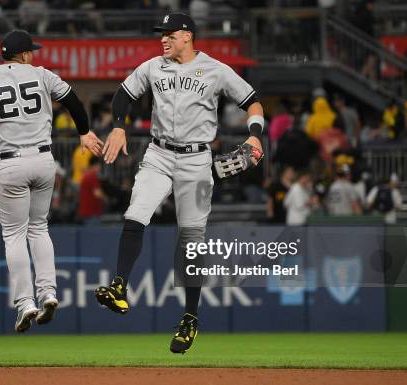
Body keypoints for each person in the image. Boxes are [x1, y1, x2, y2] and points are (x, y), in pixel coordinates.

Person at [94, 13, 265, 354]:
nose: (163, 39)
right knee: (136, 213)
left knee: (191, 238)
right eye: (162, 34)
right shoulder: (153, 66)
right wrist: (118, 125)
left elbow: (252, 101)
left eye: (170, 34)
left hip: (196, 159)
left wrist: (256, 136)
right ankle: (119, 286)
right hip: (158, 153)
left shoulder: (215, 70)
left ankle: (190, 317)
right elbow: (124, 95)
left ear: (187, 36)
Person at [0, 29, 103, 332]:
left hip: (10, 163)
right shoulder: (41, 74)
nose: (34, 55)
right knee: (39, 228)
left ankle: (26, 303)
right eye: (32, 51)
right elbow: (74, 101)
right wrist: (83, 131)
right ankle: (49, 293)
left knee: (14, 235)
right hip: (43, 160)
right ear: (25, 54)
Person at [78, 156, 106, 225]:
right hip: (92, 213)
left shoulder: (86, 175)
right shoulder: (92, 176)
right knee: (94, 234)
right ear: (97, 165)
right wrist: (106, 199)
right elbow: (97, 193)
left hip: (86, 212)